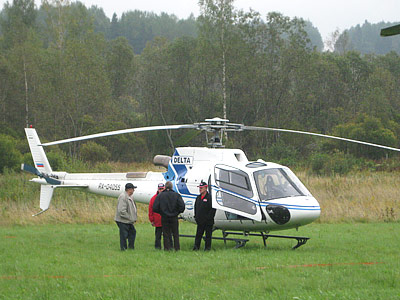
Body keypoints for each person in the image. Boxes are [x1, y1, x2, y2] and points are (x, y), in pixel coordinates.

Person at [153, 181, 185, 251]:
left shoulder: (160, 196)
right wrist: (177, 212)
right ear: (172, 187)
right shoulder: (176, 195)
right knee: (175, 234)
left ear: (165, 187)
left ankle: (167, 248)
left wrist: (161, 212)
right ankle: (177, 248)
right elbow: (182, 206)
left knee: (166, 234)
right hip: (174, 217)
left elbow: (155, 207)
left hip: (164, 217)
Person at [193, 181, 216, 251]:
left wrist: (208, 218)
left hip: (208, 221)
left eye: (201, 188)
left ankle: (207, 248)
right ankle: (196, 248)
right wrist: (196, 217)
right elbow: (196, 208)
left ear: (206, 188)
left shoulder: (209, 198)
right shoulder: (198, 198)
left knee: (208, 235)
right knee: (198, 235)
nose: (200, 189)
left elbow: (213, 209)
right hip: (200, 221)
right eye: (199, 188)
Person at [115, 183, 137, 251]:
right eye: (133, 189)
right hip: (123, 220)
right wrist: (130, 217)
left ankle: (131, 247)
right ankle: (123, 249)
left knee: (132, 232)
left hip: (128, 221)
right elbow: (121, 211)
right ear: (129, 189)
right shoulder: (123, 197)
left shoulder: (130, 197)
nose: (134, 190)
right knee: (124, 235)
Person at [148, 183, 165, 249]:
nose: (161, 190)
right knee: (158, 236)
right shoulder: (153, 198)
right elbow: (150, 210)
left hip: (165, 220)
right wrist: (152, 220)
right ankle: (157, 247)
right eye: (160, 189)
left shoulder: (166, 196)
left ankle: (168, 247)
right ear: (158, 189)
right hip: (157, 221)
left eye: (162, 189)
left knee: (167, 235)